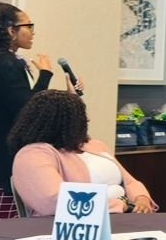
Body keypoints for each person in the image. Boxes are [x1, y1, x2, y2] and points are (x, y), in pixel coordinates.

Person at [0, 1, 78, 220]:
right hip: (0, 166)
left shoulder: (3, 61)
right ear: (11, 31)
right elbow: (29, 112)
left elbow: (26, 105)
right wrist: (45, 75)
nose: (33, 32)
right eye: (29, 26)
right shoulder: (5, 64)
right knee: (0, 233)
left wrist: (68, 95)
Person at [10, 91, 156, 215]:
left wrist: (141, 199)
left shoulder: (96, 145)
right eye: (80, 116)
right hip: (73, 228)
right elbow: (54, 200)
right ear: (60, 122)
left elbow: (129, 182)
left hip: (122, 217)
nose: (87, 120)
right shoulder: (33, 155)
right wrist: (121, 206)